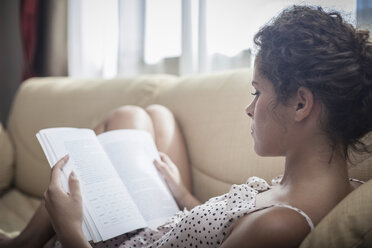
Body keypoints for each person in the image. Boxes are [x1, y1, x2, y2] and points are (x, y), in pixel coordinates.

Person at [1, 5, 372, 248]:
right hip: (170, 223)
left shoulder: (278, 227)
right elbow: (227, 225)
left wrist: (69, 228)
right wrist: (182, 193)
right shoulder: (340, 187)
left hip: (129, 242)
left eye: (258, 92)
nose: (249, 108)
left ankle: (26, 243)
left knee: (119, 126)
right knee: (148, 116)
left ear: (301, 104)